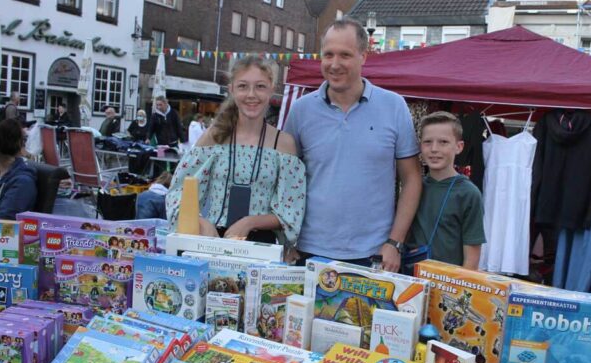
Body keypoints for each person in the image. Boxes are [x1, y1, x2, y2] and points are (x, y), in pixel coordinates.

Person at [284, 18, 422, 271]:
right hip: (308, 250)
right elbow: (285, 179)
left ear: (363, 56)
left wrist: (395, 242)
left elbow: (412, 179)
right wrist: (286, 238)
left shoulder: (394, 106)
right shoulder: (301, 110)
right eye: (328, 55)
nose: (334, 64)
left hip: (374, 254)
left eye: (345, 55)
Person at [166, 55, 305, 245]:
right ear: (231, 89)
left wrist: (249, 222)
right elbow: (179, 192)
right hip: (214, 238)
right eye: (243, 86)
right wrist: (201, 221)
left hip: (261, 244)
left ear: (272, 89)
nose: (251, 94)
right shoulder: (214, 137)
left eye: (260, 86)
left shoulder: (283, 144)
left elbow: (291, 208)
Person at [406, 112, 485, 269]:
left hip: (448, 285)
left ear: (459, 147)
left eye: (443, 142)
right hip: (411, 281)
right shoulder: (413, 187)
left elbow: (472, 257)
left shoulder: (468, 193)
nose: (434, 149)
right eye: (428, 142)